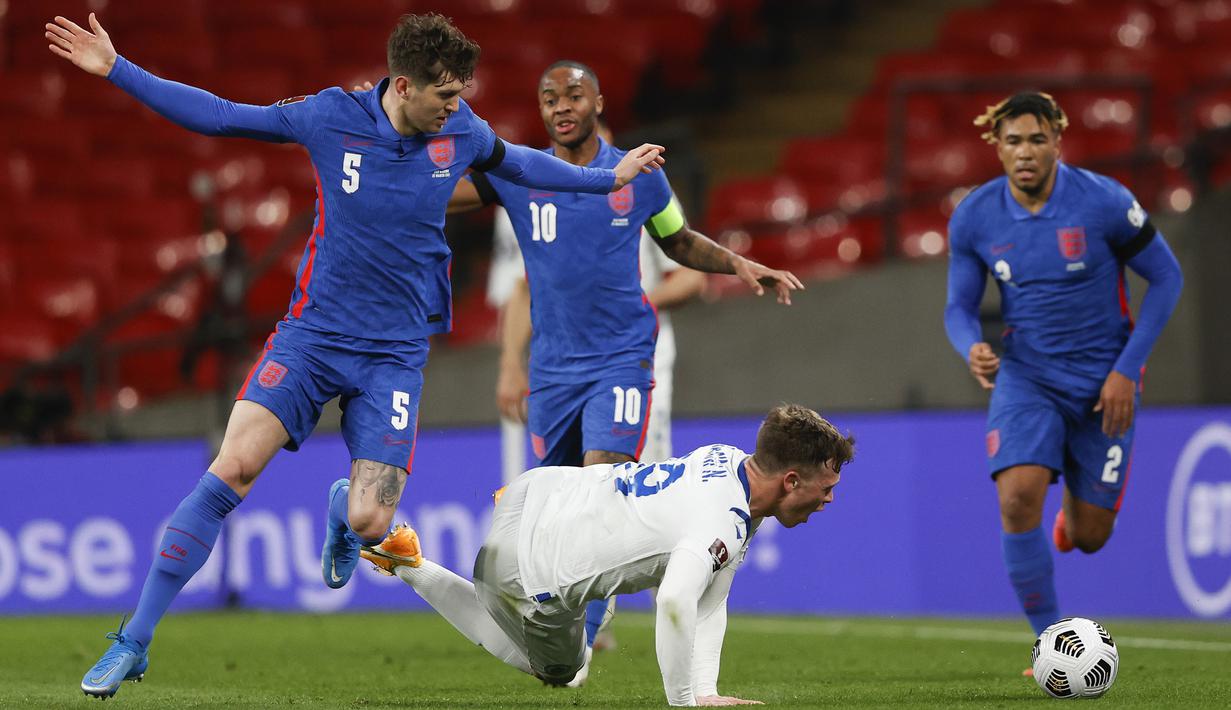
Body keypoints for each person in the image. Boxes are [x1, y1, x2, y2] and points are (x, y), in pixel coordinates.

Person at [46, 12, 667, 699]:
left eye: (460, 96)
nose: (456, 107)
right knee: (232, 469)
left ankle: (345, 510)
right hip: (311, 339)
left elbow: (520, 163)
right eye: (445, 96)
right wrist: (118, 69)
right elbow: (220, 116)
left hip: (393, 357)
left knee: (373, 523)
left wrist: (607, 180)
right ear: (403, 85)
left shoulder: (460, 132)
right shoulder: (329, 117)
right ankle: (134, 640)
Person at [445, 61, 802, 665]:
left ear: (599, 103)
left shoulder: (639, 176)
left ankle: (586, 634)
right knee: (555, 509)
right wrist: (391, 154)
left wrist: (737, 262)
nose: (562, 106)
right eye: (550, 97)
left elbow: (678, 240)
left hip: (621, 359)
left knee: (600, 483)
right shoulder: (519, 173)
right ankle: (566, 629)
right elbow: (443, 193)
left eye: (574, 95)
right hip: (553, 371)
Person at [360, 404, 855, 706]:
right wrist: (684, 703)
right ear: (791, 481)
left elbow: (711, 599)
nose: (830, 499)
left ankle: (402, 553)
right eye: (826, 487)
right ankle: (407, 562)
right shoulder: (721, 521)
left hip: (537, 491)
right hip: (526, 566)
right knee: (564, 672)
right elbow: (676, 601)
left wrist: (706, 691)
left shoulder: (727, 459)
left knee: (604, 586)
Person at [943, 92, 1183, 650]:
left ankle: (1072, 517)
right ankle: (1051, 641)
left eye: (1036, 139)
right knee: (1016, 497)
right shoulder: (975, 215)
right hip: (1028, 376)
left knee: (1091, 535)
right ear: (997, 148)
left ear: (1057, 141)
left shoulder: (1104, 201)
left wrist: (1127, 370)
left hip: (1106, 380)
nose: (1025, 152)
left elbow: (1167, 277)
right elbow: (959, 306)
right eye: (1013, 141)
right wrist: (970, 346)